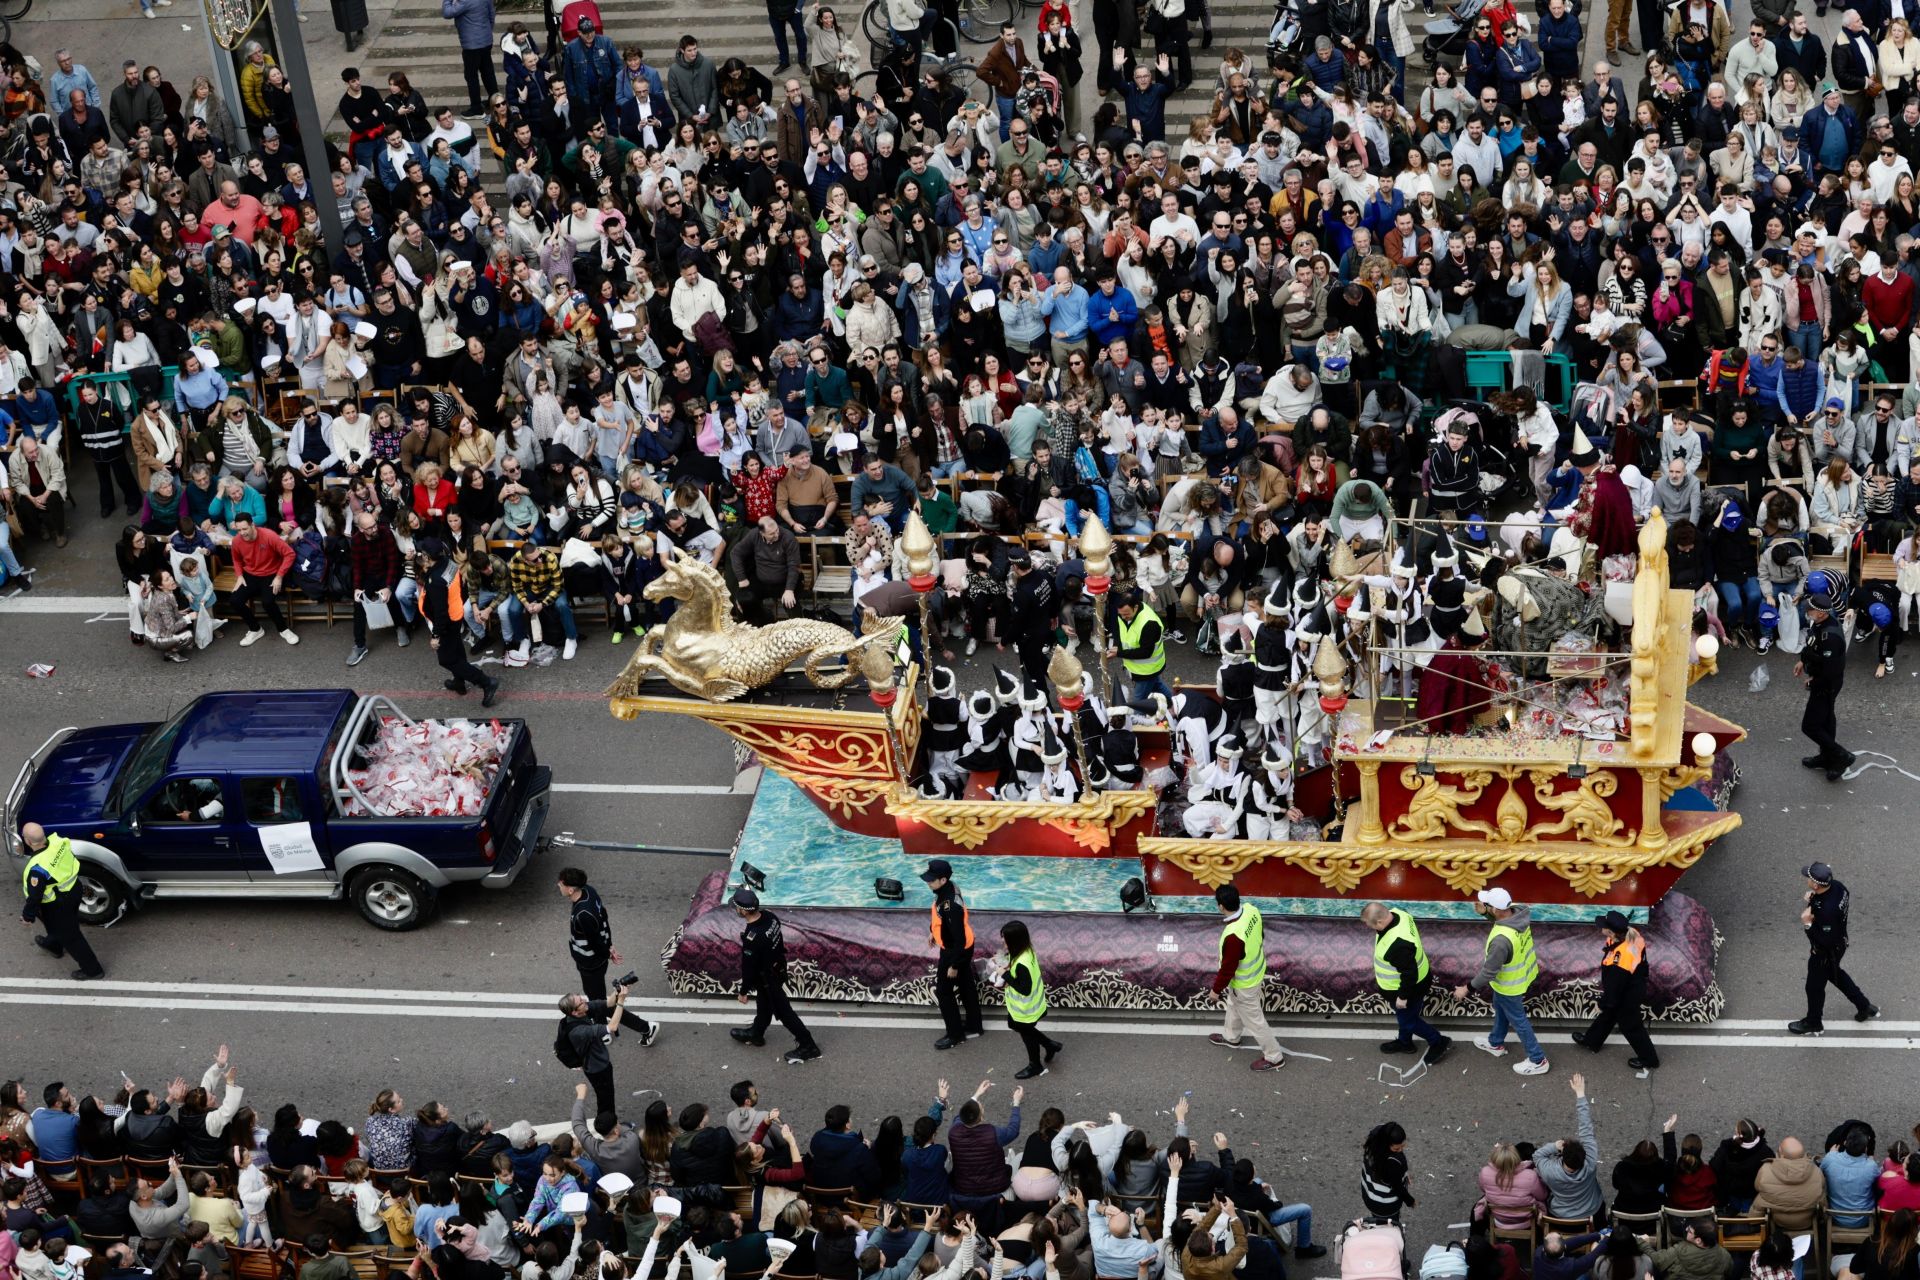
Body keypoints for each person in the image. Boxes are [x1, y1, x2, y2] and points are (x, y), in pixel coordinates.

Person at [556, 866, 661, 1044]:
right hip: (594, 960)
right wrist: (609, 946)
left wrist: (606, 951)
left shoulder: (583, 914)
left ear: (571, 889)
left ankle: (645, 1028)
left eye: (561, 883)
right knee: (596, 1000)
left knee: (602, 1004)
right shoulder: (589, 892)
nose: (558, 885)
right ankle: (601, 1029)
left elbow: (595, 942)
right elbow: (603, 918)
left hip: (591, 963)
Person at [1453, 887, 1550, 1076]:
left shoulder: (1500, 941)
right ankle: (1495, 1042)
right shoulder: (1519, 913)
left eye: (1487, 905)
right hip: (1522, 975)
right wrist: (1486, 915)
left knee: (1519, 1021)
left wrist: (1466, 989)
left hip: (1510, 985)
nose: (1484, 906)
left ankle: (1538, 1059)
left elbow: (1488, 972)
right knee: (1501, 1008)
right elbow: (1504, 923)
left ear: (1497, 909)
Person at [728, 886, 821, 1064]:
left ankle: (809, 1046)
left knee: (785, 1013)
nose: (736, 910)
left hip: (767, 978)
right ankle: (756, 1033)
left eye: (736, 907)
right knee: (764, 1005)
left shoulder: (752, 937)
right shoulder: (770, 917)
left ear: (742, 911)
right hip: (777, 969)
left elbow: (748, 967)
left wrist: (743, 991)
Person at [1790, 860, 1877, 1034]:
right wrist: (1813, 900)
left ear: (1815, 884)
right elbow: (1826, 905)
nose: (1806, 878)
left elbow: (1824, 941)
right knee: (1836, 975)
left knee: (1814, 987)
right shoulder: (1837, 887)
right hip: (1840, 942)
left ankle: (1814, 1023)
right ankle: (1864, 1006)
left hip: (1825, 951)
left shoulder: (1827, 911)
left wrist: (1807, 924)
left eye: (1809, 877)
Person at [1206, 883, 1284, 1071]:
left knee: (1255, 1021)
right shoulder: (1251, 910)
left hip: (1244, 984)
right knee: (1233, 1005)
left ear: (1221, 907)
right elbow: (1261, 934)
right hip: (1255, 973)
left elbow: (1228, 969)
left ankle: (1275, 1057)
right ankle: (1232, 1038)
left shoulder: (1233, 936)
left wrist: (1215, 991)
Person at [1362, 901, 1451, 1064]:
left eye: (1369, 924)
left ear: (1380, 922)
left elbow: (1409, 975)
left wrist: (1402, 998)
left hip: (1408, 989)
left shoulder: (1397, 945)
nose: (1369, 927)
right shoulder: (1399, 913)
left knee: (1409, 1021)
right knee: (1407, 1017)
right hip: (1420, 979)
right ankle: (1405, 1043)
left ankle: (1438, 1041)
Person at [18, 821, 106, 980]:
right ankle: (54, 945)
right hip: (74, 890)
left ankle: (93, 970)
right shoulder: (58, 842)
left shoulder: (36, 869)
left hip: (57, 903)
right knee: (58, 926)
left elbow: (35, 897)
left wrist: (27, 916)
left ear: (28, 842)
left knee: (72, 936)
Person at [419, 536, 500, 707]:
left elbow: (440, 612)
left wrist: (436, 635)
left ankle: (486, 682)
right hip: (456, 615)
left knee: (447, 659)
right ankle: (459, 682)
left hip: (446, 622)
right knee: (456, 651)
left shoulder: (436, 581)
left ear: (427, 557)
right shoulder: (448, 563)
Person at [1572, 910, 1659, 1069]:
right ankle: (1592, 1041)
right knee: (1609, 1016)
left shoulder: (1621, 958)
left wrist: (1605, 1002)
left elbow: (1615, 986)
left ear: (1612, 932)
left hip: (1627, 993)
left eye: (1604, 927)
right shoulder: (1632, 934)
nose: (1601, 928)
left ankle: (1649, 1059)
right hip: (1633, 983)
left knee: (1630, 1026)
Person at [920, 859, 983, 1051]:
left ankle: (955, 1035)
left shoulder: (950, 906)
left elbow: (958, 939)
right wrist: (934, 930)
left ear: (943, 879)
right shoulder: (948, 890)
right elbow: (943, 920)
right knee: (966, 987)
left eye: (932, 880)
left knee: (944, 992)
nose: (928, 883)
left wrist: (954, 965)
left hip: (955, 950)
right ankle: (974, 1026)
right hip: (961, 946)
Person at [1795, 571, 1852, 780]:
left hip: (1826, 683)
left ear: (1821, 613)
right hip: (1822, 678)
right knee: (1827, 719)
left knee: (1809, 726)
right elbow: (1811, 644)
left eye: (1810, 609)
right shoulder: (1818, 624)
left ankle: (1841, 756)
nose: (1806, 610)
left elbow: (1831, 670)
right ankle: (1827, 757)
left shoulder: (1831, 636)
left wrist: (1814, 681)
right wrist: (1803, 660)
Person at [990, 920, 1061, 1080]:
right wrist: (1003, 960)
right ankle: (1050, 1045)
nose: (1002, 941)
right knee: (1014, 1025)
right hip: (1024, 1007)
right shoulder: (1026, 950)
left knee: (1026, 1034)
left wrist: (1004, 974)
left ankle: (1035, 1066)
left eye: (1005, 939)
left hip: (1025, 1008)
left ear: (1014, 941)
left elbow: (1025, 989)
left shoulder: (1022, 964)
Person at [556, 986, 639, 1116]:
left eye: (580, 996)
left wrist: (617, 991)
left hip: (598, 1061)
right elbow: (612, 1026)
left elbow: (608, 1003)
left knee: (607, 1096)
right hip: (597, 1068)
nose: (584, 1000)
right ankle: (607, 1125)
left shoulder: (583, 1010)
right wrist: (621, 1001)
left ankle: (608, 1123)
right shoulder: (579, 1032)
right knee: (606, 1099)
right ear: (575, 1012)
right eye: (581, 1002)